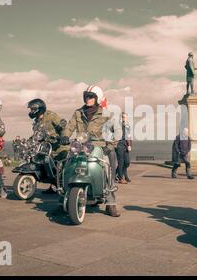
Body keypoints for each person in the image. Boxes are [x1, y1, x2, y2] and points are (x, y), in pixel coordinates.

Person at [61, 85, 122, 217]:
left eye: (91, 97)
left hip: (99, 146)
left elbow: (116, 131)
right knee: (67, 164)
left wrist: (110, 145)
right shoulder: (78, 112)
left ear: (97, 98)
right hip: (79, 145)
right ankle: (64, 196)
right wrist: (65, 135)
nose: (87, 99)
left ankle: (110, 203)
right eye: (86, 96)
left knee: (107, 170)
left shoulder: (106, 113)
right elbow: (70, 125)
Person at [27, 98, 69, 194]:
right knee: (46, 166)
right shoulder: (37, 121)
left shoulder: (50, 115)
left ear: (39, 108)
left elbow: (63, 123)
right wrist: (29, 140)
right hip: (46, 148)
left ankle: (63, 188)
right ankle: (53, 185)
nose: (31, 112)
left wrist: (63, 137)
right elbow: (37, 134)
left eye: (33, 109)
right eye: (30, 109)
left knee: (59, 167)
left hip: (59, 146)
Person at [116, 112, 132, 184]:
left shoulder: (128, 126)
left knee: (127, 162)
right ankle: (121, 178)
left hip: (126, 145)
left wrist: (130, 145)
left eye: (125, 117)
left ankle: (117, 173)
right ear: (121, 118)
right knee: (121, 162)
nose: (124, 118)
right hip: (119, 145)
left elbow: (129, 136)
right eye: (123, 117)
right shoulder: (118, 125)